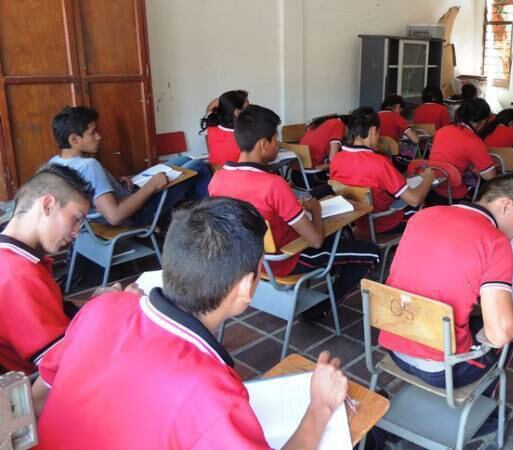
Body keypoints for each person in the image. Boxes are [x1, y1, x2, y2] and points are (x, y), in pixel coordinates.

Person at [30, 197, 350, 449]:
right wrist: (320, 407)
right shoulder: (209, 391)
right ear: (245, 288)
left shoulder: (104, 306)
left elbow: (42, 392)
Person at [379, 174, 513, 388]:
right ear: (505, 205)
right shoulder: (496, 242)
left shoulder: (423, 215)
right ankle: (488, 418)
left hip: (394, 346)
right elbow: (500, 334)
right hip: (441, 369)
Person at [208, 104, 380, 316]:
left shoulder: (217, 179)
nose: (277, 146)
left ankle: (332, 273)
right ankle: (321, 309)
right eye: (275, 140)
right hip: (287, 259)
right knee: (371, 252)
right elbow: (315, 240)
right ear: (263, 143)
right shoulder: (272, 184)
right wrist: (315, 210)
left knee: (339, 234)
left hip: (245, 260)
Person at [49, 106, 211, 226]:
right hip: (136, 215)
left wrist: (113, 183)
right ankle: (193, 223)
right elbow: (115, 216)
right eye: (92, 133)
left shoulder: (55, 163)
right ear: (74, 139)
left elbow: (93, 194)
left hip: (118, 203)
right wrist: (151, 186)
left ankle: (175, 214)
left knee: (182, 160)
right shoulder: (89, 165)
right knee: (199, 166)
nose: (99, 137)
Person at [0, 165, 91, 375]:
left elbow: (47, 307)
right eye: (76, 219)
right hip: (34, 390)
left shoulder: (17, 257)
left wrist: (94, 303)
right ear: (48, 205)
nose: (77, 232)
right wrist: (111, 316)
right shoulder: (17, 275)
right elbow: (60, 368)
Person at [329, 107, 435, 234]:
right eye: (379, 133)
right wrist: (429, 178)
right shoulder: (379, 163)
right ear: (373, 130)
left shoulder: (336, 159)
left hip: (355, 220)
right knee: (426, 204)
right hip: (384, 223)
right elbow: (414, 200)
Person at [428, 98, 497, 204]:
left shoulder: (442, 131)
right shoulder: (473, 141)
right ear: (483, 121)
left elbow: (450, 156)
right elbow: (490, 176)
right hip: (453, 194)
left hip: (430, 186)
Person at [200, 90, 250, 167]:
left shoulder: (211, 125)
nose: (251, 110)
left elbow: (210, 108)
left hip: (215, 174)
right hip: (236, 176)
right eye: (248, 107)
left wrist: (225, 100)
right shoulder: (244, 136)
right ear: (237, 112)